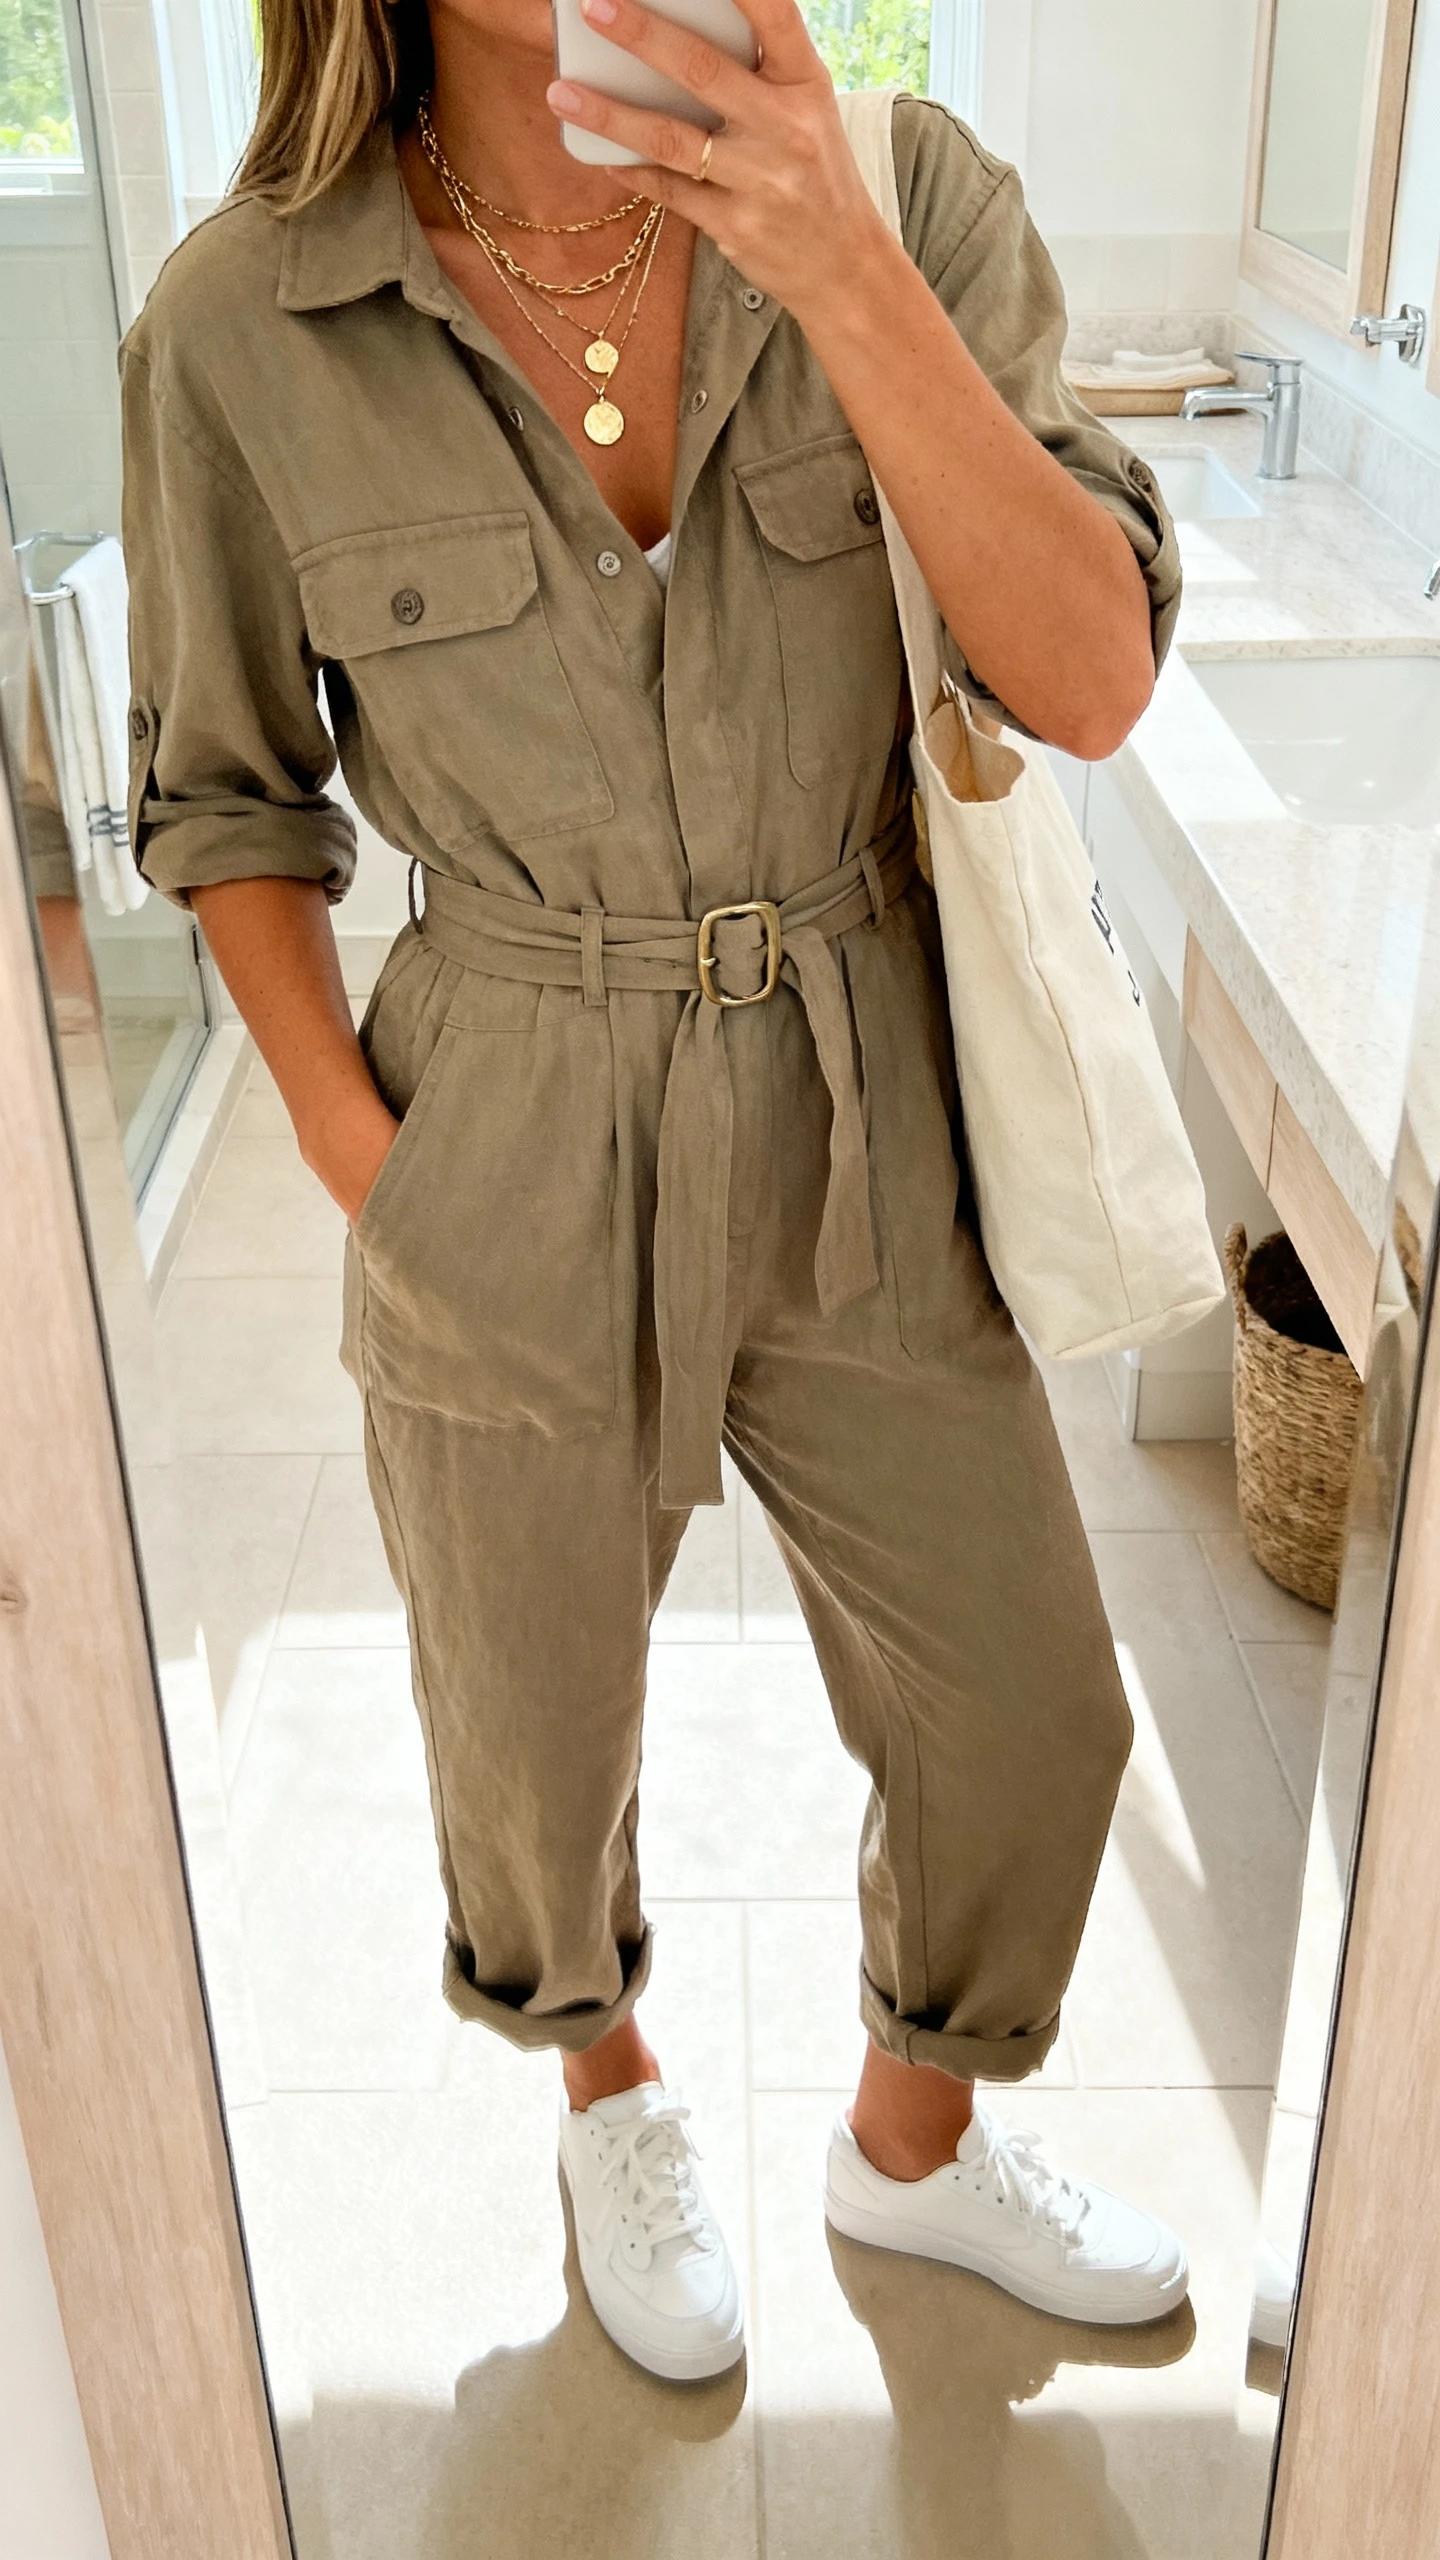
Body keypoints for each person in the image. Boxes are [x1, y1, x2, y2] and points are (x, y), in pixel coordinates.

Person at [121, 0, 1189, 2385]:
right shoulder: (240, 316)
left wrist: (844, 271)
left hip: (862, 1070)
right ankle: (609, 2091)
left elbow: (1091, 679)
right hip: (503, 1089)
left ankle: (906, 2149)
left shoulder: (909, 199)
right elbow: (224, 799)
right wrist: (365, 1162)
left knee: (1028, 1712)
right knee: (532, 1727)